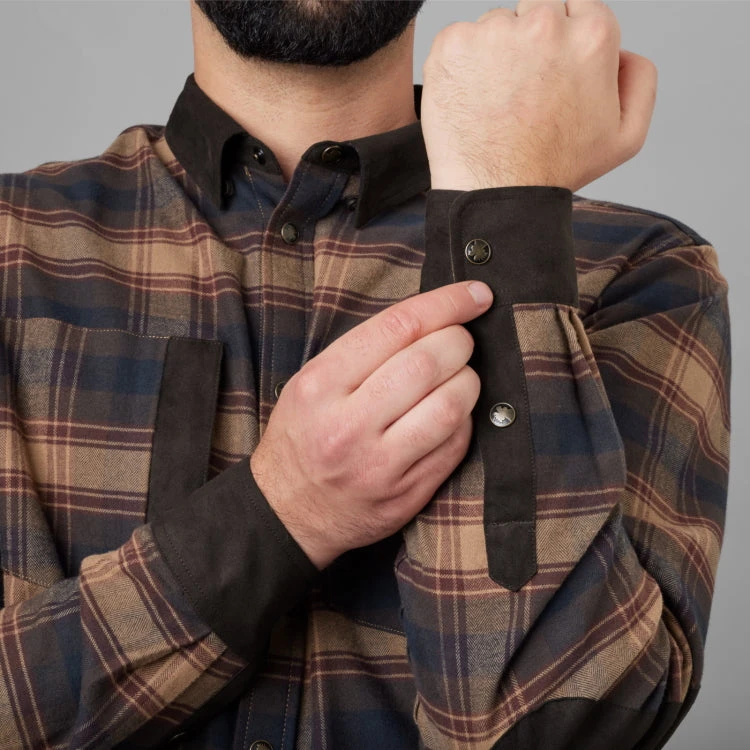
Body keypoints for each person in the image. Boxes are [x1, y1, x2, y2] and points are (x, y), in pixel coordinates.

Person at [0, 0, 731, 747]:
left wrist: (502, 206)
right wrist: (286, 510)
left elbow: (563, 732)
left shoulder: (638, 274)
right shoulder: (12, 245)